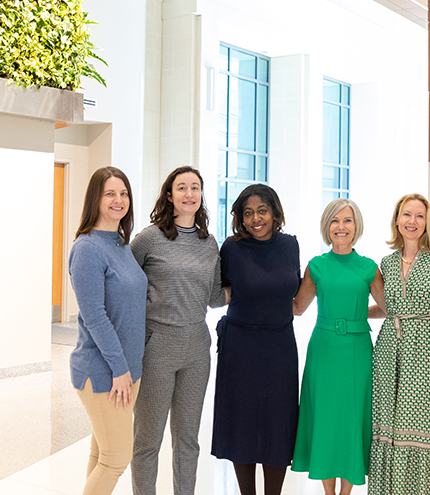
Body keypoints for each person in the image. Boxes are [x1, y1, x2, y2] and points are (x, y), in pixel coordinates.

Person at [130, 166, 226, 495]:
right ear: (169, 195)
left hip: (197, 348)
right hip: (157, 346)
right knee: (147, 441)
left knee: (187, 441)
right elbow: (125, 283)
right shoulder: (148, 239)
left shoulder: (209, 242)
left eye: (195, 188)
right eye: (181, 188)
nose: (189, 194)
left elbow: (214, 297)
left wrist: (259, 289)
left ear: (201, 196)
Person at [369, 194, 430, 495]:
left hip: (427, 354)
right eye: (406, 215)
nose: (412, 221)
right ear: (397, 220)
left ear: (427, 222)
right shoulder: (386, 262)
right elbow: (389, 308)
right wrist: (351, 313)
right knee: (387, 426)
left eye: (419, 216)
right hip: (388, 353)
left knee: (426, 428)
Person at [211, 184, 302, 495]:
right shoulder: (232, 248)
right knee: (243, 425)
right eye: (247, 213)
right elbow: (219, 292)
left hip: (280, 347)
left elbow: (296, 294)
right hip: (240, 347)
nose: (255, 219)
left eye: (262, 211)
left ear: (275, 213)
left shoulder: (290, 245)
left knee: (278, 423)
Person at [292, 198, 385, 495]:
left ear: (356, 226)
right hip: (324, 350)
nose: (341, 226)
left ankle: (346, 492)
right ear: (326, 226)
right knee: (326, 419)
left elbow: (387, 308)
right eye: (335, 220)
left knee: (352, 419)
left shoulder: (369, 267)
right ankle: (328, 493)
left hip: (357, 352)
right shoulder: (316, 266)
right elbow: (297, 307)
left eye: (347, 220)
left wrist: (358, 317)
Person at [68, 166, 146, 495]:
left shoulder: (119, 243)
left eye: (123, 193)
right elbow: (95, 316)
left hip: (126, 370)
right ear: (95, 200)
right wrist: (119, 368)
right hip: (105, 372)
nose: (118, 200)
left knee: (102, 454)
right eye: (109, 193)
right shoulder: (87, 248)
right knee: (116, 459)